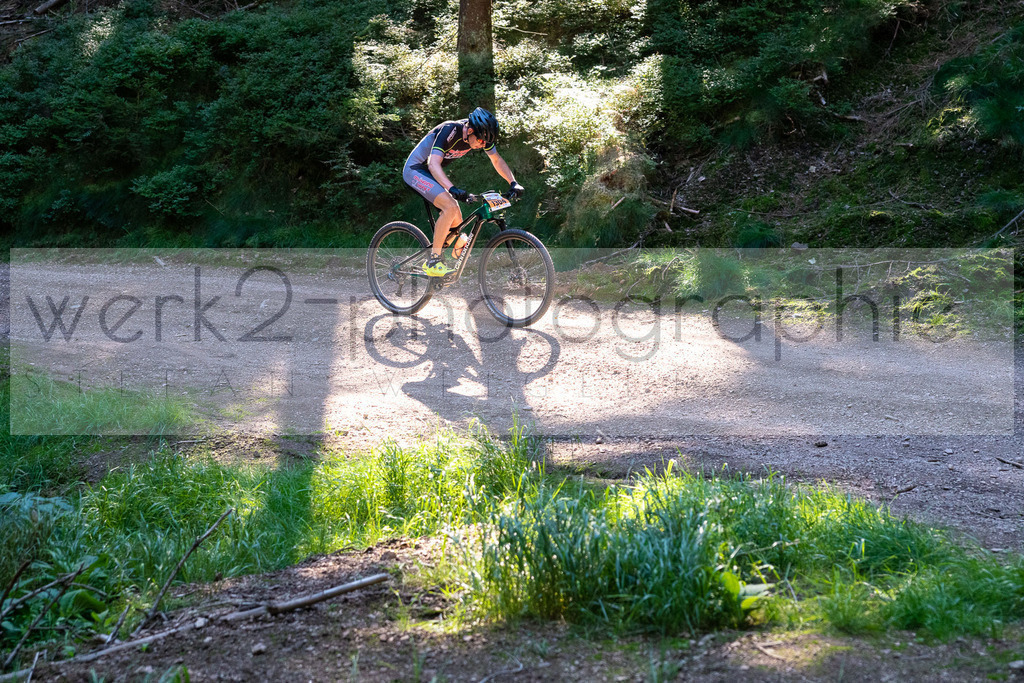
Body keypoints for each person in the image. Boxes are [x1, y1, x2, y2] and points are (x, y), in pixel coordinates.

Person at [402, 107, 525, 276]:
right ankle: (433, 260)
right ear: (471, 130)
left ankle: (447, 248)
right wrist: (452, 188)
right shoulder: (450, 130)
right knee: (450, 207)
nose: (482, 145)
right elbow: (432, 164)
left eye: (485, 142)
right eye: (481, 141)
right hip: (415, 170)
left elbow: (496, 160)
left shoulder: (482, 135)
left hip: (432, 174)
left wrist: (513, 182)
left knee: (456, 223)